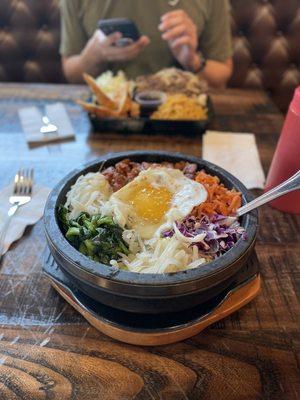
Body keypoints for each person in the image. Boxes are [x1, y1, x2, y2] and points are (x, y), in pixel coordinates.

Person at [60, 0, 233, 88]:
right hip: (108, 117)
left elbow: (222, 74)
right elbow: (71, 73)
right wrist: (93, 57)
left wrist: (193, 61)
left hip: (181, 115)